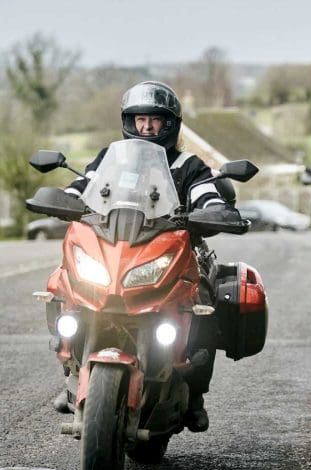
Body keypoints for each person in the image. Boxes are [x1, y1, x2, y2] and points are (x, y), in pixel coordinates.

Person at [54, 80, 232, 432]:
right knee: (63, 282)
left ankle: (194, 394)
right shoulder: (111, 158)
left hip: (171, 247)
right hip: (118, 244)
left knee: (204, 302)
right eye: (139, 119)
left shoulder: (187, 165)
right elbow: (85, 186)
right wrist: (64, 197)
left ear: (170, 124)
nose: (146, 126)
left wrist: (213, 209)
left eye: (155, 120)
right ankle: (70, 371)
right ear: (128, 122)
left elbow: (207, 192)